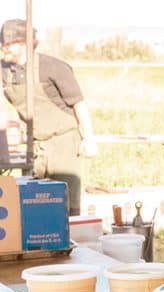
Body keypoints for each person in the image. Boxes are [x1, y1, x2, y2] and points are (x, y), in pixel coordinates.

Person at [1, 19, 97, 215]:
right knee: (33, 204)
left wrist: (89, 138)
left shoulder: (53, 67)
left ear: (25, 43)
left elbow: (78, 103)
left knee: (66, 205)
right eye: (2, 43)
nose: (4, 47)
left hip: (63, 143)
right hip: (35, 146)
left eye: (8, 43)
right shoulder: (5, 71)